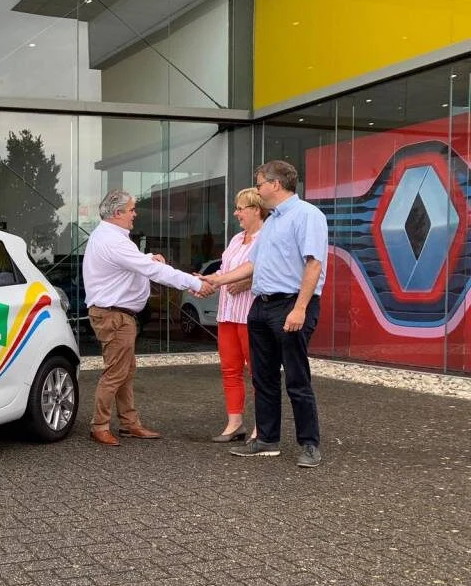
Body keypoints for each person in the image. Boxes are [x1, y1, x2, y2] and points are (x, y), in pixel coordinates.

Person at [203, 160, 328, 468]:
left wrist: (300, 308)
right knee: (263, 377)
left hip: (291, 305)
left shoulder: (308, 215)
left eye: (259, 184)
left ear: (275, 184)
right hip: (261, 306)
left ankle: (309, 444)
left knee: (296, 378)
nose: (258, 190)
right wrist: (217, 279)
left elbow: (314, 263)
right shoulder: (272, 222)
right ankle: (267, 440)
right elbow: (252, 264)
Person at [83, 189, 214, 446]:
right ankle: (99, 426)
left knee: (124, 371)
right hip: (114, 316)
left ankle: (129, 423)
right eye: (131, 209)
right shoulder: (114, 240)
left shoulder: (109, 236)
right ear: (117, 213)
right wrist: (196, 283)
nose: (135, 214)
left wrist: (145, 258)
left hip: (116, 315)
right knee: (116, 373)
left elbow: (128, 264)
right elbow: (155, 272)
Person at [210, 187, 267, 443]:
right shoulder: (236, 239)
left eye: (240, 208)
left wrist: (248, 282)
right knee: (230, 369)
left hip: (251, 315)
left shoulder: (267, 237)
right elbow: (224, 271)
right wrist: (205, 282)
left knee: (258, 372)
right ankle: (235, 424)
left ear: (256, 210)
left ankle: (262, 427)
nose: (236, 213)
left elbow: (276, 271)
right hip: (227, 314)